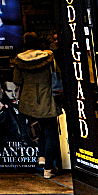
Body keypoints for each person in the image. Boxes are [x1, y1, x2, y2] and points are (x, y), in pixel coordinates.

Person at [13, 33, 62, 178]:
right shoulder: (48, 57)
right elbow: (57, 74)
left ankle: (42, 157)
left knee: (39, 131)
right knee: (51, 133)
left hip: (29, 101)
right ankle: (48, 169)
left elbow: (17, 80)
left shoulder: (19, 59)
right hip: (47, 99)